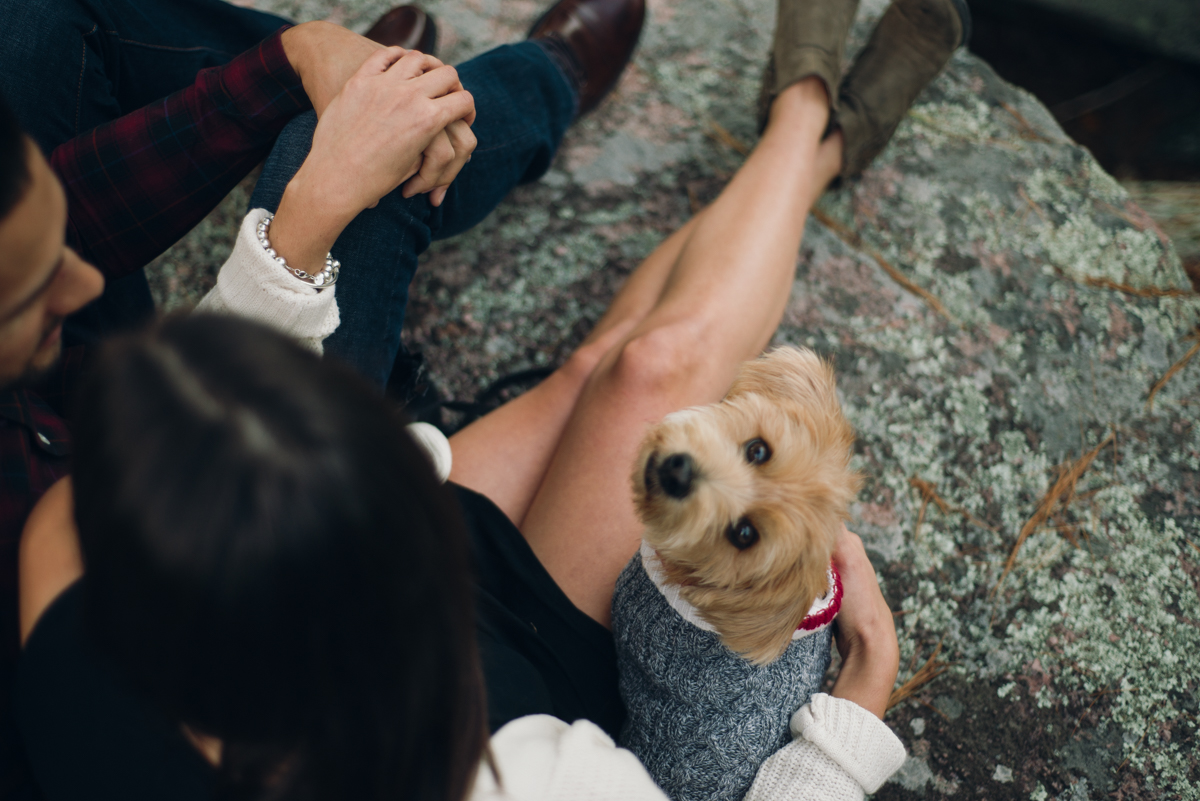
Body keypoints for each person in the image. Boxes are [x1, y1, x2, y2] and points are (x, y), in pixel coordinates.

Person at [15, 0, 970, 796]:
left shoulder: (65, 574)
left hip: (395, 560)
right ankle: (809, 126)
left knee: (594, 367)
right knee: (651, 370)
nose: (86, 287)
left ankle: (725, 107)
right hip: (517, 683)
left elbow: (192, 460)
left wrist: (309, 167)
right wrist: (846, 734)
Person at [0, 0, 645, 793]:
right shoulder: (56, 596)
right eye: (30, 289)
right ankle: (534, 83)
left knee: (30, 23)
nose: (85, 280)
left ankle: (366, 90)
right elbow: (159, 515)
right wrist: (300, 225)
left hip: (119, 442)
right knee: (346, 170)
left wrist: (294, 59)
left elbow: (67, 223)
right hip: (219, 557)